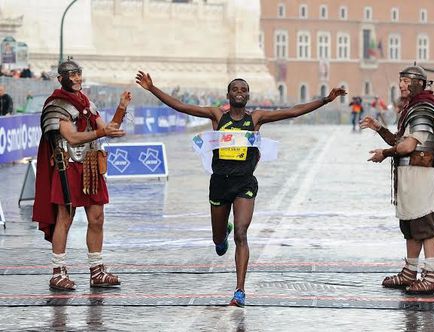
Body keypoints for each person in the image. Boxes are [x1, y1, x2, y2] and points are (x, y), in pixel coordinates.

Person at [135, 71, 346, 307]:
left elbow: (292, 111)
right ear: (228, 95)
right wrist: (152, 88)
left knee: (242, 235)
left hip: (244, 182)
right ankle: (221, 234)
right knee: (218, 241)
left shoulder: (256, 118)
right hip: (219, 183)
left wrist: (325, 100)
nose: (239, 92)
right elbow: (182, 106)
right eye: (235, 89)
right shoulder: (217, 116)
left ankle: (239, 291)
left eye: (243, 90)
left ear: (248, 96)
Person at [32, 58, 130, 291]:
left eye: (78, 74)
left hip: (90, 166)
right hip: (68, 167)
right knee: (64, 219)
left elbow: (107, 128)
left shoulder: (86, 101)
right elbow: (72, 137)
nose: (76, 78)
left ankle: (97, 270)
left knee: (97, 218)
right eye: (71, 75)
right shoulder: (56, 104)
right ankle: (58, 272)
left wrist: (121, 108)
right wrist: (102, 131)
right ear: (60, 79)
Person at [360, 64, 434, 295]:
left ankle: (430, 277)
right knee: (411, 227)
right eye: (401, 80)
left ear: (419, 83)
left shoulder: (423, 108)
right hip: (409, 177)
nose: (402, 84)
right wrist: (378, 127)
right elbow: (398, 140)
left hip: (421, 177)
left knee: (426, 227)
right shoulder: (412, 108)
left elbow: (408, 146)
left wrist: (385, 154)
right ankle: (409, 273)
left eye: (406, 80)